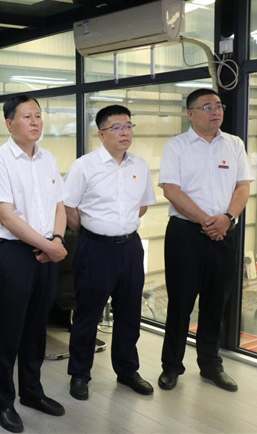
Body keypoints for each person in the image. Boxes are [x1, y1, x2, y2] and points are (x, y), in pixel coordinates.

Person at [157, 88, 253, 392]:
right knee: (180, 303)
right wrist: (205, 220)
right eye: (208, 107)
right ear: (191, 114)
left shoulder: (234, 144)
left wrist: (227, 218)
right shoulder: (177, 146)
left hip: (225, 233)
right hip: (186, 234)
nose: (216, 111)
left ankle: (211, 365)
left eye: (219, 106)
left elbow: (243, 187)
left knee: (216, 303)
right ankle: (171, 366)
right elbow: (171, 190)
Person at [0, 94, 68, 433]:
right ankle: (2, 401)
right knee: (8, 330)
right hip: (14, 253)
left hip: (48, 251)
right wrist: (48, 246)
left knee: (36, 328)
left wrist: (57, 241)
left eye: (38, 115)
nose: (35, 122)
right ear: (9, 123)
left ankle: (32, 392)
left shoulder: (48, 158)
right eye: (27, 116)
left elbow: (59, 205)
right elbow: (6, 215)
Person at [63, 105, 156, 401]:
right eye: (117, 127)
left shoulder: (139, 165)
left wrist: (120, 226)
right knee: (88, 314)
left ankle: (127, 371)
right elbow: (69, 208)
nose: (125, 132)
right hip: (95, 248)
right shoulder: (84, 166)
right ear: (101, 134)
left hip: (130, 247)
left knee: (129, 313)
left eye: (128, 126)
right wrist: (93, 231)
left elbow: (143, 205)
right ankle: (80, 374)